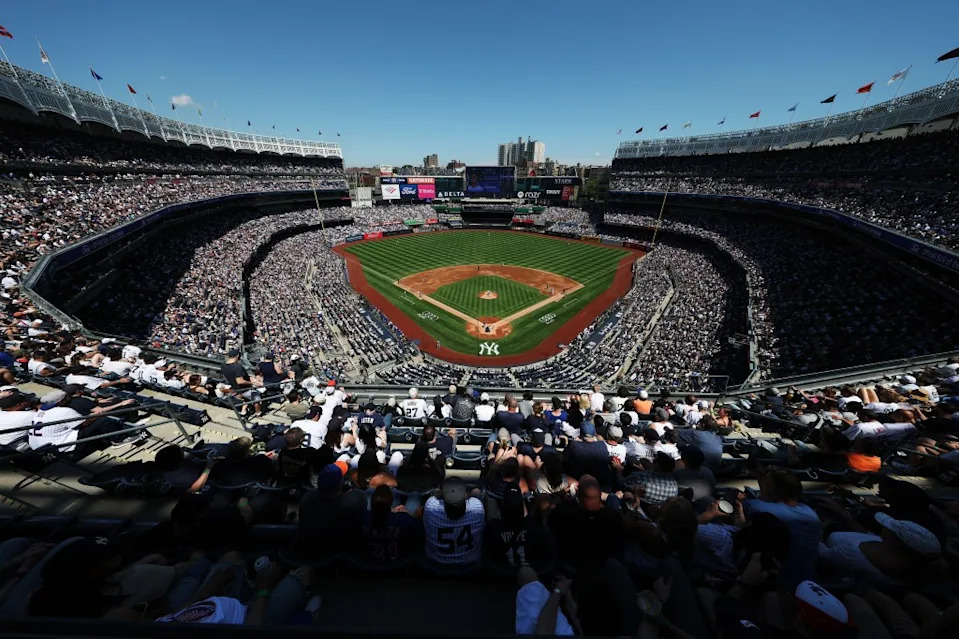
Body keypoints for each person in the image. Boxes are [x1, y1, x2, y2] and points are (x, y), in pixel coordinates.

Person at [743, 469, 822, 587]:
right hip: (806, 582)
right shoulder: (811, 514)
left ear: (774, 492)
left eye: (764, 487)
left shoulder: (755, 507)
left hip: (774, 582)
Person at [422, 477, 485, 568]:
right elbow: (475, 495)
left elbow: (435, 494)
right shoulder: (477, 507)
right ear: (465, 494)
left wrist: (441, 493)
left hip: (436, 563)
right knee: (477, 492)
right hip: (470, 564)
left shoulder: (431, 506)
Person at [357, 485, 423, 566]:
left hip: (367, 563)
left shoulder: (361, 518)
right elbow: (417, 532)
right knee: (415, 494)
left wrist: (391, 512)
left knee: (369, 489)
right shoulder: (404, 519)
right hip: (397, 563)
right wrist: (412, 515)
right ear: (390, 505)